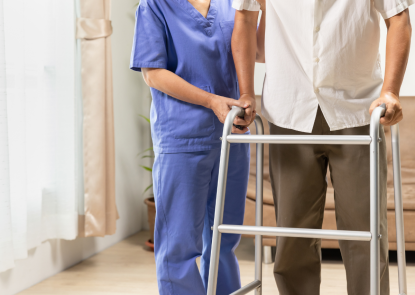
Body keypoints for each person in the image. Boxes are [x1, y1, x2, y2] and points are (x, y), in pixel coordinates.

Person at [231, 0, 412, 294]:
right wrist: (246, 92)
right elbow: (246, 20)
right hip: (289, 109)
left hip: (357, 110)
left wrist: (390, 91)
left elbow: (399, 19)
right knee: (292, 237)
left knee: (365, 234)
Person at [130, 0, 263, 294]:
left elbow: (258, 50)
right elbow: (152, 73)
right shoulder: (154, 6)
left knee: (224, 239)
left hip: (231, 136)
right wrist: (210, 100)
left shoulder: (233, 4)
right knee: (179, 245)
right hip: (182, 136)